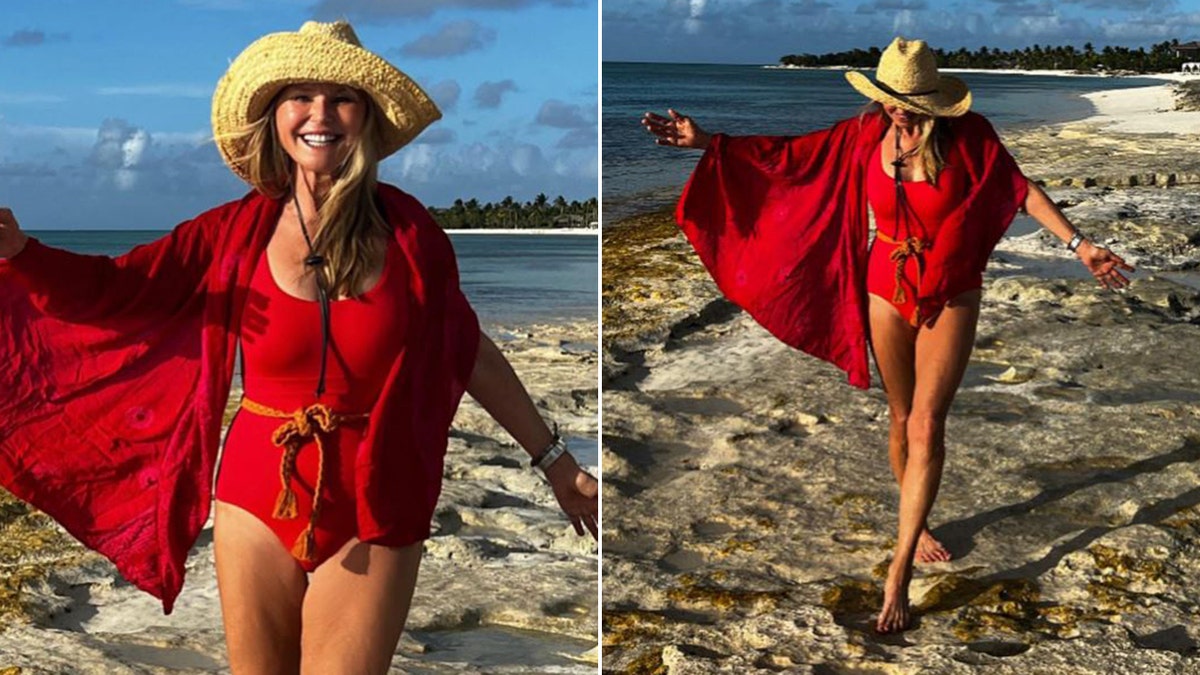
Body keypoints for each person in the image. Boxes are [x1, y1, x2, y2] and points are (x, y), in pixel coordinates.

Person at [0, 20, 597, 673]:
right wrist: (22, 254)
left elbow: (468, 349)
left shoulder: (413, 239)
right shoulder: (232, 232)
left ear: (365, 116)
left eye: (340, 97)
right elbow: (117, 289)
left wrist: (555, 460)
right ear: (275, 116)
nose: (320, 114)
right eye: (299, 97)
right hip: (256, 492)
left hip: (377, 496)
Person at [641, 37, 1132, 634]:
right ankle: (914, 522)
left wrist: (1079, 246)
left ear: (932, 98)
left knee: (927, 422)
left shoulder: (970, 135)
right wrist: (709, 144)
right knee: (901, 416)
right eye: (891, 97)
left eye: (909, 99)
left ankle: (897, 571)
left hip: (951, 292)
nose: (898, 108)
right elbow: (788, 158)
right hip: (884, 289)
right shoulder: (863, 134)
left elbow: (1018, 189)